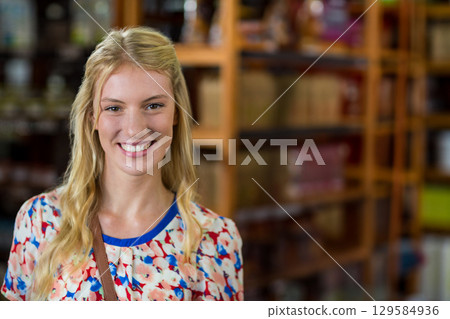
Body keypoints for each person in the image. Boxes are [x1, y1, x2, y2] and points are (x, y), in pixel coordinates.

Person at [1, 26, 243, 301]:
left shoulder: (215, 239)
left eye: (153, 106)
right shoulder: (40, 221)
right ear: (92, 117)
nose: (134, 128)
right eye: (114, 108)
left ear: (177, 112)